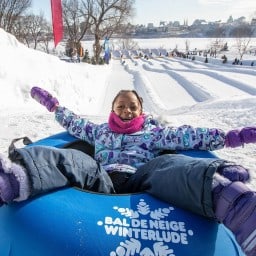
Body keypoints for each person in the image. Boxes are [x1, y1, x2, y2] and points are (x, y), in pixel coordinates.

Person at [0, 87, 256, 256]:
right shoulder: (99, 132)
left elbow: (189, 136)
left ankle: (235, 203)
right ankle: (11, 179)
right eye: (121, 105)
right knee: (74, 159)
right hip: (100, 177)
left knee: (169, 166)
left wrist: (234, 137)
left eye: (132, 106)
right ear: (113, 109)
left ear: (140, 111)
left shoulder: (154, 134)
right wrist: (53, 105)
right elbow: (73, 122)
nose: (127, 110)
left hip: (142, 178)